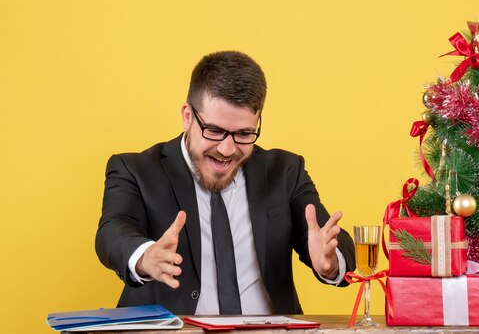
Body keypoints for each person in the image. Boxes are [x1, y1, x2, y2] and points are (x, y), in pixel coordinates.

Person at [95, 51, 356, 315]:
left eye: (243, 134)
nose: (227, 149)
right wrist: (145, 256)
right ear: (188, 116)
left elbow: (329, 238)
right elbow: (112, 231)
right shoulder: (136, 169)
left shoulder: (286, 171)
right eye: (215, 131)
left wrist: (332, 263)